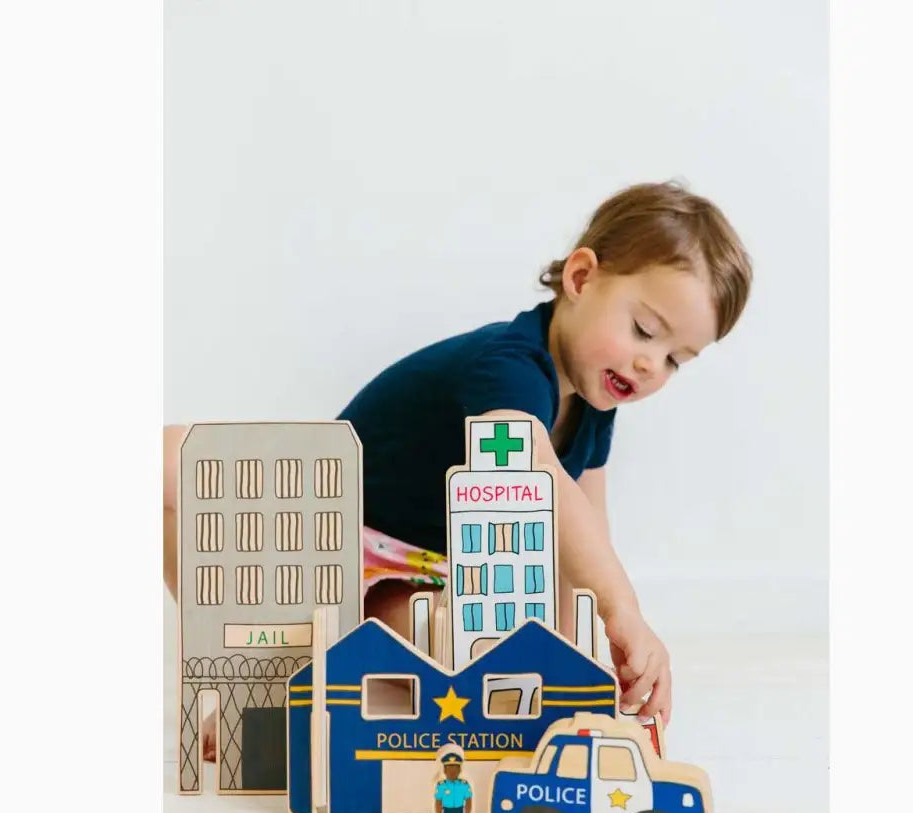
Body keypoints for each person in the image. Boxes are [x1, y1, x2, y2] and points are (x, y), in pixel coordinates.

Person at [163, 180, 753, 750]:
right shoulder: (511, 365)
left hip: (406, 572)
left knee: (452, 661)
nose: (651, 364)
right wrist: (622, 607)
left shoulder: (594, 408)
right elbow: (532, 469)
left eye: (676, 359)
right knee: (179, 473)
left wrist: (571, 674)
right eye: (644, 331)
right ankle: (255, 673)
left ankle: (309, 661)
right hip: (324, 527)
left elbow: (578, 540)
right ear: (580, 278)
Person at [433, 745, 473, 813]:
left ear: (459, 770)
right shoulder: (441, 786)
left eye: (455, 768)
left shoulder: (464, 785)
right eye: (449, 768)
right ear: (445, 770)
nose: (452, 772)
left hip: (459, 812)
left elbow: (468, 799)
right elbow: (438, 801)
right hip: (448, 812)